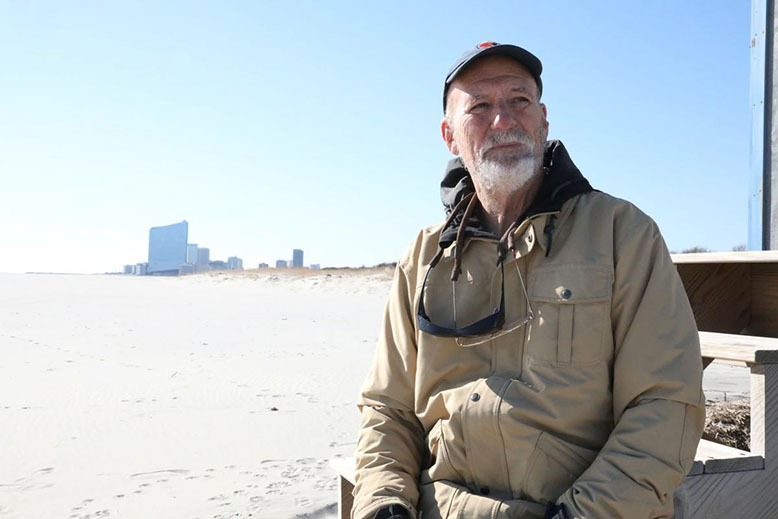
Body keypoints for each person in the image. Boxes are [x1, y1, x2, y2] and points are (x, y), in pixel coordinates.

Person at [352, 42, 705, 519]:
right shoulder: (424, 257)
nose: (503, 120)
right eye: (479, 106)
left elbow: (665, 402)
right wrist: (385, 502)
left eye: (518, 101)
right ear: (449, 136)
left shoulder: (623, 233)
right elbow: (387, 409)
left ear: (543, 120)